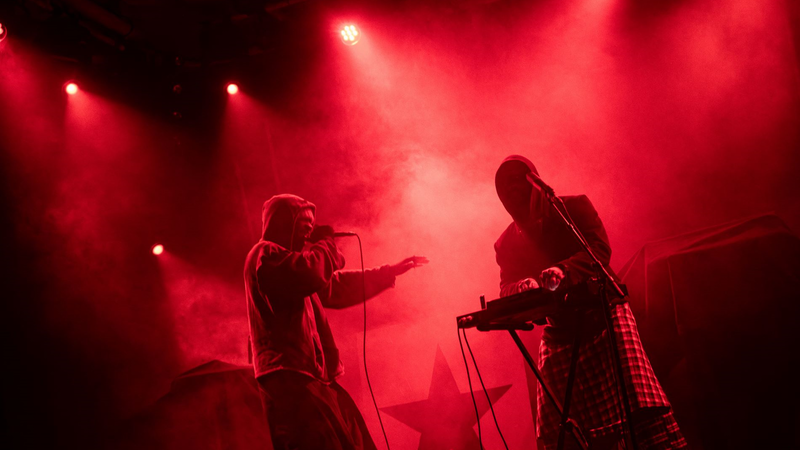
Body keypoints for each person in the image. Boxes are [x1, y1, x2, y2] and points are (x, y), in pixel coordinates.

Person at [493, 156, 687, 450]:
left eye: (517, 179)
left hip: (605, 315)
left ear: (534, 180)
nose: (511, 188)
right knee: (556, 430)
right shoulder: (506, 243)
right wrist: (523, 287)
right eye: (504, 186)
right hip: (561, 333)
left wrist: (563, 271)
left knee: (638, 417)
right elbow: (505, 287)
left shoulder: (573, 208)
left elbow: (599, 249)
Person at [244, 193, 427, 450]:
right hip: (289, 378)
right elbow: (312, 272)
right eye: (304, 226)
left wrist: (387, 272)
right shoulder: (265, 254)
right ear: (284, 224)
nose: (309, 233)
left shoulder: (293, 265)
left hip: (311, 377)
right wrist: (327, 244)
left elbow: (333, 287)